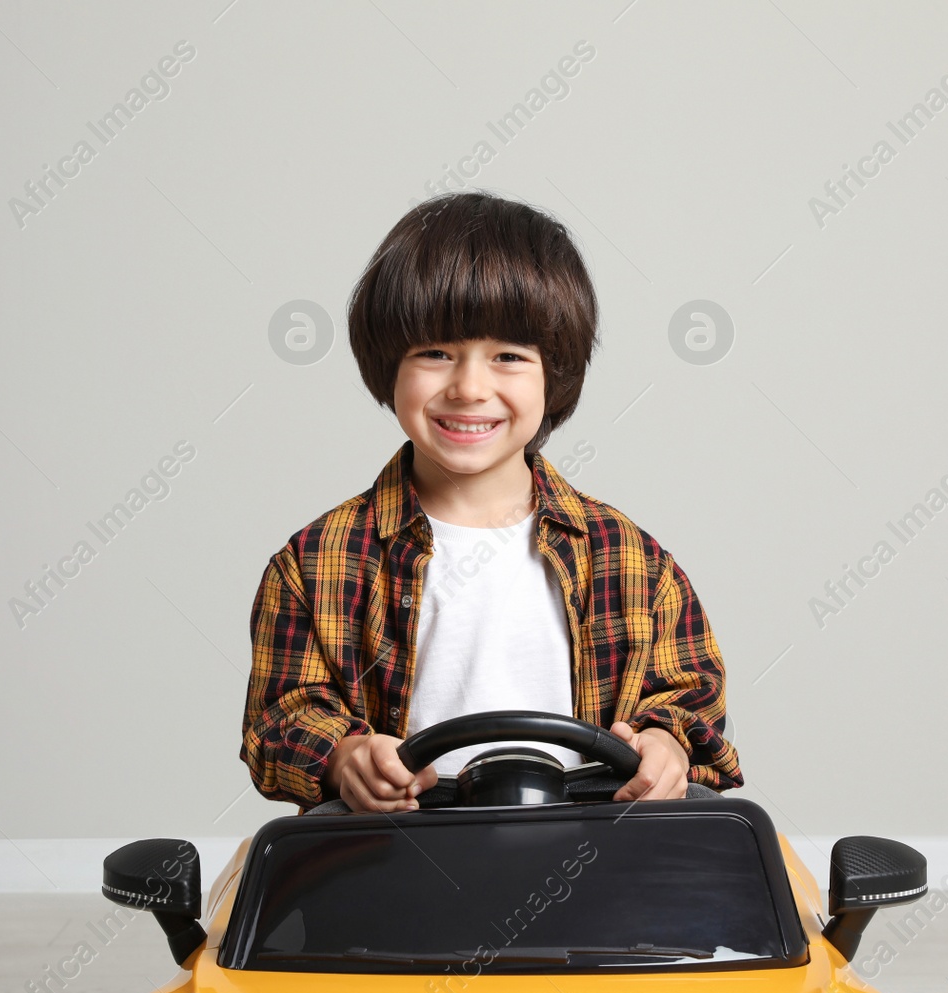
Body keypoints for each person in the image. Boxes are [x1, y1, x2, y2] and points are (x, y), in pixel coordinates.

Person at [240, 190, 742, 814]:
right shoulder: (317, 563)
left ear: (554, 375)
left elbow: (688, 694)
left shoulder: (632, 561)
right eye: (435, 353)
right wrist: (344, 758)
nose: (470, 387)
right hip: (394, 861)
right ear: (387, 365)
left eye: (508, 357)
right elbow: (281, 717)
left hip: (595, 861)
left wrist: (666, 744)